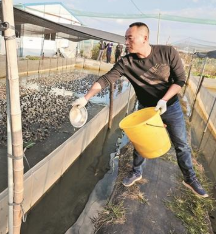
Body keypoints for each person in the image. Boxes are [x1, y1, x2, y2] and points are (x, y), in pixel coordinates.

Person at [72, 22, 208, 198]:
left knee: (181, 144)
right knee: (139, 143)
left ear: (144, 38)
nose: (126, 42)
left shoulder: (167, 52)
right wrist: (86, 97)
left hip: (170, 106)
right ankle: (137, 172)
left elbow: (180, 80)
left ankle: (190, 179)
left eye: (130, 38)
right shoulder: (126, 62)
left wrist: (164, 99)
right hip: (146, 108)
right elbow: (106, 79)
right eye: (125, 38)